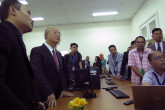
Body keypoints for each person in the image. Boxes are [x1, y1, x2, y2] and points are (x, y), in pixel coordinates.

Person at [0, 0, 45, 110]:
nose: (32, 19)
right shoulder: (3, 33)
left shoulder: (14, 36)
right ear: (13, 10)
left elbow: (17, 79)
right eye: (28, 13)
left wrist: (34, 100)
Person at [30, 27, 74, 108]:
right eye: (55, 32)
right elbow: (38, 74)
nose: (58, 35)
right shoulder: (37, 51)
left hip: (58, 96)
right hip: (45, 97)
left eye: (59, 33)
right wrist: (49, 92)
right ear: (46, 35)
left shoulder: (58, 54)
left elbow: (62, 74)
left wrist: (64, 89)